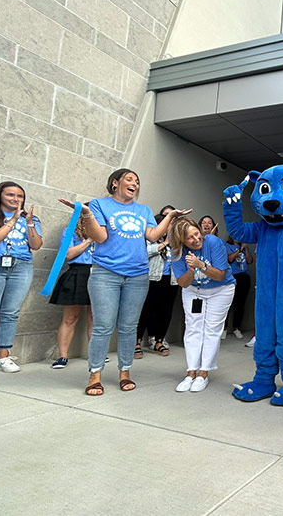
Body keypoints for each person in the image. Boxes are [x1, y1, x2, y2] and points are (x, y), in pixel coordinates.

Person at [59, 169, 190, 395]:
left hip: (137, 275)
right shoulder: (101, 205)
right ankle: (95, 374)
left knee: (129, 327)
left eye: (137, 181)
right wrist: (88, 215)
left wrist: (170, 217)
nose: (135, 184)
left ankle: (125, 371)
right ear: (115, 183)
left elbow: (152, 235)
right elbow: (100, 237)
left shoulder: (143, 210)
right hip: (105, 274)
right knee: (103, 326)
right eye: (130, 180)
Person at [170, 218, 236, 393]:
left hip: (221, 289)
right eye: (190, 238)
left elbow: (220, 275)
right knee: (193, 328)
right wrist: (191, 270)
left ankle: (203, 374)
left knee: (211, 330)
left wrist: (200, 265)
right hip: (194, 290)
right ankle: (190, 373)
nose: (196, 239)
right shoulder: (177, 251)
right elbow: (183, 283)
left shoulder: (213, 242)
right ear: (181, 241)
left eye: (196, 233)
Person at [0, 182, 42, 375]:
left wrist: (28, 223)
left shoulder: (31, 219)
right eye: (10, 195)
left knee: (10, 313)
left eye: (20, 196)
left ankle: (3, 357)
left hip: (22, 266)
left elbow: (36, 245)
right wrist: (12, 221)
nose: (16, 199)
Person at [49, 214, 93, 369]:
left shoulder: (106, 233)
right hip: (78, 272)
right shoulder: (70, 232)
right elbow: (68, 254)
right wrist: (90, 239)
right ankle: (62, 356)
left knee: (95, 319)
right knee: (70, 318)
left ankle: (95, 354)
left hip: (100, 274)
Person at [136, 213, 179, 358]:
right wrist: (165, 243)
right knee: (145, 311)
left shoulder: (176, 241)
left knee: (165, 311)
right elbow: (142, 253)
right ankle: (137, 342)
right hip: (152, 279)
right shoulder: (149, 238)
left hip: (171, 280)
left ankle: (159, 341)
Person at [222, 237, 252, 339]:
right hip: (233, 276)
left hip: (244, 276)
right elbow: (229, 259)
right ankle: (224, 328)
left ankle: (236, 328)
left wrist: (246, 249)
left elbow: (250, 261)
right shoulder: (227, 246)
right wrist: (239, 249)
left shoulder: (243, 247)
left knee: (240, 304)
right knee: (227, 304)